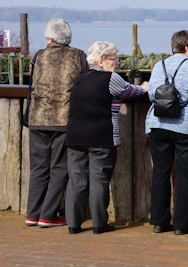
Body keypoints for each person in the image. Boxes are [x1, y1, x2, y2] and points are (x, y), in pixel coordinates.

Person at [64, 41, 148, 234]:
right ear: (101, 61)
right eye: (113, 59)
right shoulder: (110, 78)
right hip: (101, 136)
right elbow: (131, 91)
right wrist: (144, 87)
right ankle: (99, 223)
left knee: (76, 180)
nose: (116, 62)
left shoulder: (80, 78)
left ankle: (73, 224)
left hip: (75, 135)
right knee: (99, 179)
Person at [145, 30, 188, 235]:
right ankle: (181, 225)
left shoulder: (160, 65)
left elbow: (152, 94)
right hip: (186, 127)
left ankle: (159, 221)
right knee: (185, 175)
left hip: (158, 124)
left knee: (160, 172)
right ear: (187, 47)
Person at [25, 18, 88, 228]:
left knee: (38, 168)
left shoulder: (39, 55)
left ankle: (32, 214)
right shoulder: (78, 55)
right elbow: (84, 82)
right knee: (59, 167)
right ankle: (48, 215)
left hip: (37, 117)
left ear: (49, 38)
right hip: (63, 118)